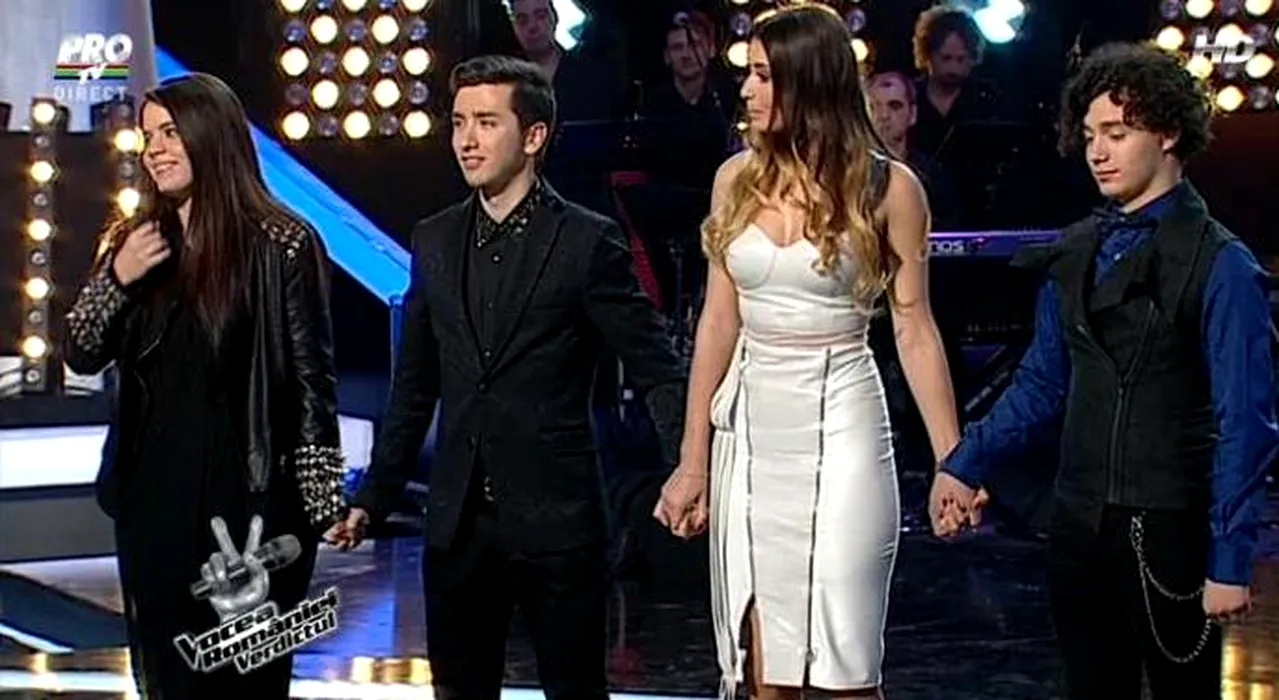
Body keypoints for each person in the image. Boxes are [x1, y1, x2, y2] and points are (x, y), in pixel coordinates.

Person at [327, 55, 686, 700]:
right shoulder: (434, 239)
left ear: (534, 135)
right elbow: (414, 387)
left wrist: (690, 469)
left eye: (487, 122)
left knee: (574, 690)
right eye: (459, 121)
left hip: (557, 517)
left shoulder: (586, 242)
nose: (466, 140)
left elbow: (655, 364)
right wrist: (374, 497)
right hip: (459, 523)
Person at [930, 42, 1279, 699]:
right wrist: (963, 463)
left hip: (1168, 527)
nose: (1097, 152)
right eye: (1090, 135)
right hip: (1078, 522)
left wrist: (1230, 560)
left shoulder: (1221, 264)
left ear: (1167, 133)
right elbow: (1040, 382)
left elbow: (1246, 423)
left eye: (1116, 134)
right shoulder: (1078, 249)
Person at [652, 6, 965, 699]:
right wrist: (692, 458)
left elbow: (914, 329)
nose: (747, 90)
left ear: (809, 80)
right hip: (752, 432)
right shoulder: (733, 181)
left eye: (764, 75)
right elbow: (717, 324)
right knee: (766, 668)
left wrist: (953, 461)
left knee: (842, 660)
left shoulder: (890, 188)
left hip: (843, 421)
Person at [62, 73, 344, 697]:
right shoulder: (135, 243)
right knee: (166, 679)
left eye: (170, 133)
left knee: (244, 682)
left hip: (248, 503)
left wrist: (320, 506)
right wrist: (117, 278)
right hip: (153, 500)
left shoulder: (281, 243)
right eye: (148, 136)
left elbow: (311, 385)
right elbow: (80, 352)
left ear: (210, 135)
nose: (154, 150)